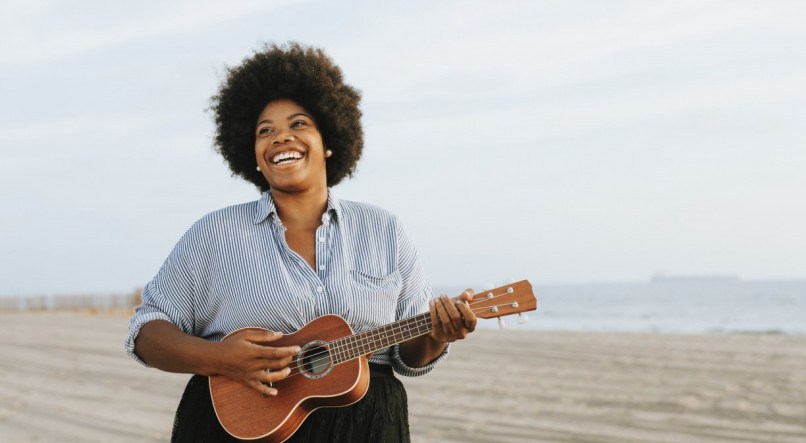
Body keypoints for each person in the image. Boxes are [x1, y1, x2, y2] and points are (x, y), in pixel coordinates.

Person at [124, 42, 477, 443]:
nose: (280, 138)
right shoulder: (213, 234)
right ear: (253, 155)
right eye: (265, 131)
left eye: (298, 124)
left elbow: (409, 357)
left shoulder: (385, 230)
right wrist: (219, 357)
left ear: (329, 141)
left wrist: (437, 334)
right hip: (242, 429)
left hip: (367, 427)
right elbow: (146, 332)